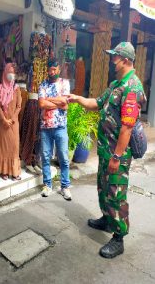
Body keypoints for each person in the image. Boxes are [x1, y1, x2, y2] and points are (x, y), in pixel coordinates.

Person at [65, 42, 147, 258]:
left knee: (116, 193)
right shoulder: (115, 84)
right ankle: (106, 219)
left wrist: (117, 157)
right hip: (104, 150)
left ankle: (119, 238)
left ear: (126, 60)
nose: (113, 60)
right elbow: (98, 102)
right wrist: (77, 99)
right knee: (103, 188)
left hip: (116, 154)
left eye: (116, 57)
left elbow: (127, 128)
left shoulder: (132, 87)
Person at [38, 59, 71, 200]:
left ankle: (65, 186)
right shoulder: (43, 84)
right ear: (48, 70)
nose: (52, 72)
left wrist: (49, 101)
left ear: (59, 69)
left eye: (54, 69)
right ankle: (47, 185)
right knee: (45, 157)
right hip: (46, 127)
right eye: (50, 70)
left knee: (63, 157)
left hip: (60, 126)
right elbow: (41, 103)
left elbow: (65, 104)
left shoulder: (65, 83)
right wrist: (57, 101)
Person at [0, 63, 22, 180]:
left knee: (14, 147)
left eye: (13, 72)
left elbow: (19, 106)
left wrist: (12, 119)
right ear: (4, 73)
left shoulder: (17, 89)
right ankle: (4, 171)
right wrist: (4, 120)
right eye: (9, 72)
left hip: (13, 124)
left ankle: (14, 172)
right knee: (3, 148)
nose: (11, 74)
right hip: (2, 124)